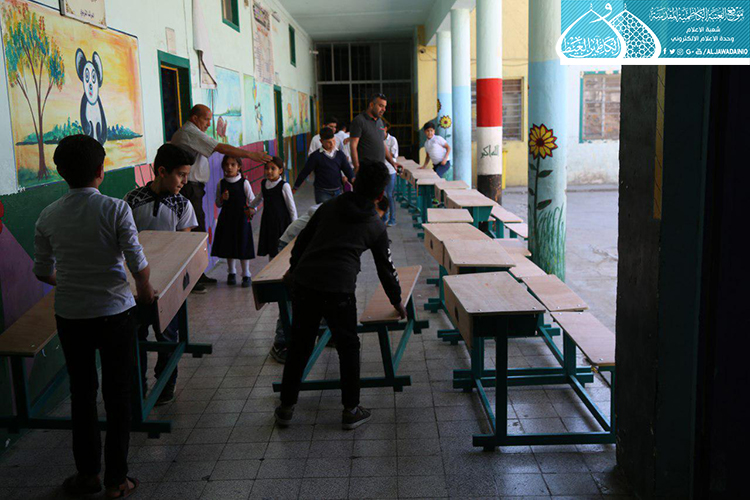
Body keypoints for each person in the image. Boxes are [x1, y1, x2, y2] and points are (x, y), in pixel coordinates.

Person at [33, 134, 154, 498]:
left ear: (60, 172)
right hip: (115, 313)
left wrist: (71, 282)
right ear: (101, 170)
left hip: (71, 316)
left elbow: (42, 272)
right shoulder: (115, 208)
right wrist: (144, 290)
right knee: (118, 395)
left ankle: (88, 476)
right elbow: (137, 262)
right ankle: (117, 480)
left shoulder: (47, 215)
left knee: (82, 394)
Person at [275, 161, 405, 430]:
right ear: (381, 194)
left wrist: (293, 270)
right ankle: (350, 410)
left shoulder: (329, 206)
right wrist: (396, 300)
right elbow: (386, 268)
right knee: (348, 347)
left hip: (306, 283)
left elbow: (301, 242)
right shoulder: (375, 225)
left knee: (300, 345)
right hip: (339, 290)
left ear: (354, 182)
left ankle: (286, 408)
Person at [124, 144, 198, 406]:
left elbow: (184, 248)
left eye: (187, 175)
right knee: (136, 336)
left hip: (169, 285)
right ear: (162, 171)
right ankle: (138, 385)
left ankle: (166, 383)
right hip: (135, 285)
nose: (184, 181)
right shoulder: (131, 200)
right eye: (180, 174)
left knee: (167, 336)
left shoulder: (183, 204)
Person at [170, 104, 270, 292]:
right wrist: (250, 154)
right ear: (195, 118)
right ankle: (194, 278)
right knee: (195, 230)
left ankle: (198, 274)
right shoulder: (190, 132)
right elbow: (220, 147)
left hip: (194, 188)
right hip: (189, 188)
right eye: (206, 119)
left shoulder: (193, 133)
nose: (209, 124)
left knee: (197, 228)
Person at [269, 202, 322, 363]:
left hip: (308, 248)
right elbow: (313, 211)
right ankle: (281, 342)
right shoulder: (332, 211)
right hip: (288, 246)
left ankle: (325, 330)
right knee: (291, 296)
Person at [212, 155, 256, 287]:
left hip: (241, 219)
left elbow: (253, 201)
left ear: (239, 167)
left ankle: (246, 274)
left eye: (233, 164)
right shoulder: (221, 183)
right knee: (228, 244)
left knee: (243, 245)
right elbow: (218, 203)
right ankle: (231, 272)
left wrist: (251, 210)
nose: (229, 167)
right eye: (226, 165)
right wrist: (222, 198)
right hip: (226, 218)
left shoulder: (244, 183)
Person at [248, 157, 298, 259]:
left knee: (281, 249)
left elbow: (291, 208)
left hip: (281, 223)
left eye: (273, 168)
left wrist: (295, 226)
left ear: (280, 170)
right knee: (271, 248)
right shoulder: (264, 183)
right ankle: (271, 266)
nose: (269, 171)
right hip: (268, 221)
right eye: (267, 168)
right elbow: (259, 197)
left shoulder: (284, 186)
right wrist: (250, 206)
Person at [293, 127, 354, 204]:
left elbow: (348, 170)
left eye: (333, 141)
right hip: (322, 192)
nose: (332, 144)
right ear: (321, 141)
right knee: (325, 211)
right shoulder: (315, 156)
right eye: (328, 142)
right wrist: (295, 187)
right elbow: (305, 172)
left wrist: (353, 180)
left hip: (338, 191)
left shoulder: (340, 155)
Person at [349, 93, 402, 174]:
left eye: (385, 106)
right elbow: (353, 146)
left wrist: (392, 163)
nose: (384, 109)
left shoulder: (380, 121)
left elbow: (382, 144)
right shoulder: (359, 121)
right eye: (381, 106)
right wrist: (356, 166)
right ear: (371, 105)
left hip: (380, 169)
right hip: (366, 170)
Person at [383, 120, 399, 227]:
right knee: (382, 195)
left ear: (385, 129)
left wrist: (383, 148)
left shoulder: (392, 140)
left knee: (389, 194)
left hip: (391, 170)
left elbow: (393, 154)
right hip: (381, 171)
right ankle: (384, 217)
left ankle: (392, 219)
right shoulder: (377, 140)